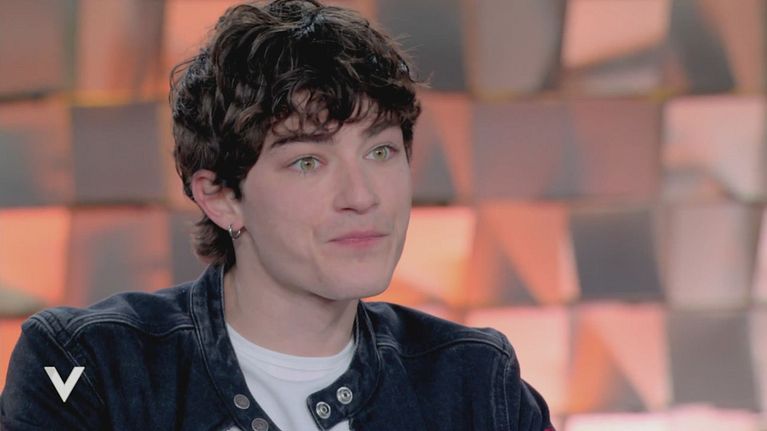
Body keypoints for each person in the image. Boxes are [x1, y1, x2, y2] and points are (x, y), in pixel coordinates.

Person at [0, 1, 554, 429]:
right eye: (308, 161)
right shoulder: (86, 366)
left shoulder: (475, 380)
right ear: (221, 197)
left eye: (381, 151)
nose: (362, 196)